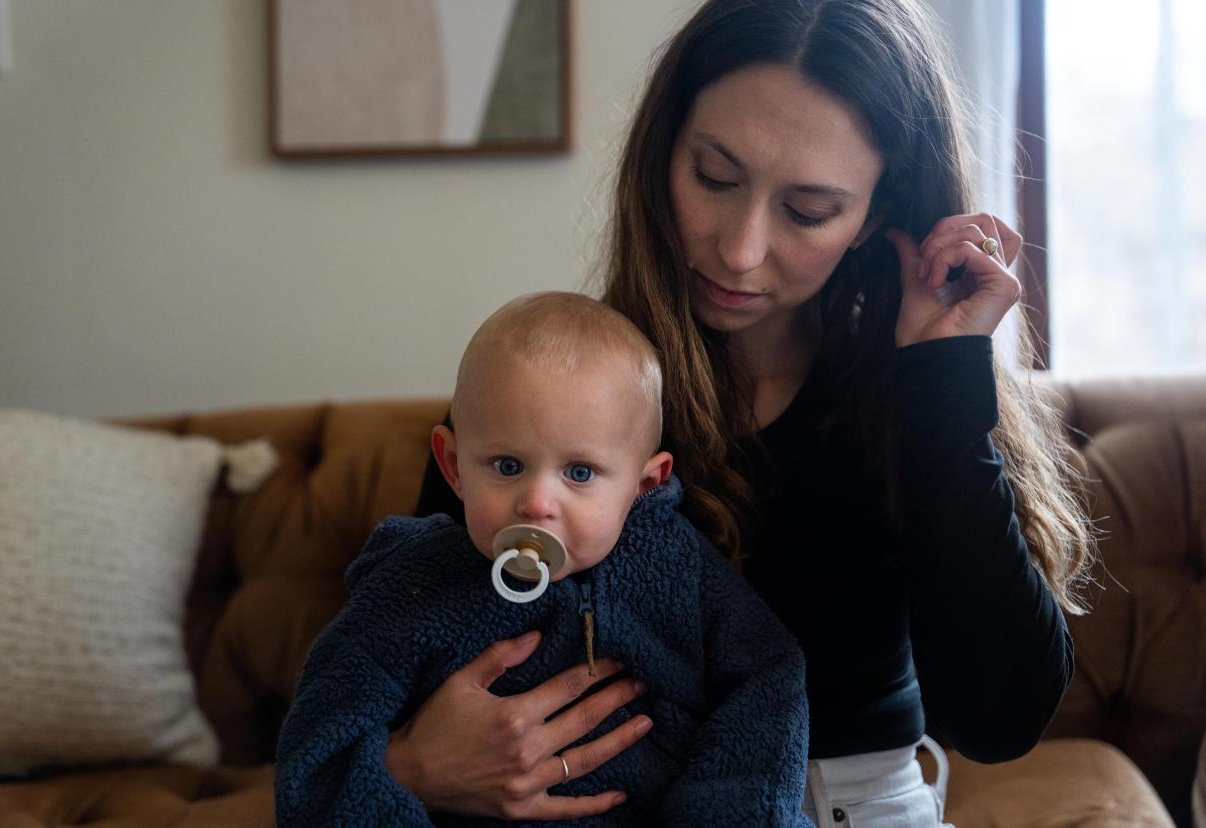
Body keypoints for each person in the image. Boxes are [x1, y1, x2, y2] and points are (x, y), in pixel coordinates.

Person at [400, 0, 1095, 825]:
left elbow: (999, 720)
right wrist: (410, 764)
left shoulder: (909, 386)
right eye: (716, 178)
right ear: (662, 156)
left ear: (877, 214)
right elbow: (399, 650)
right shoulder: (546, 388)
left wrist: (943, 378)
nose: (740, 249)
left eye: (807, 211)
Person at [276, 292, 813, 827]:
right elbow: (319, 753)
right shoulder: (410, 583)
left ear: (643, 482)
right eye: (507, 465)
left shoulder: (679, 566)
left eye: (579, 473)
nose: (536, 502)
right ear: (453, 465)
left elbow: (767, 679)